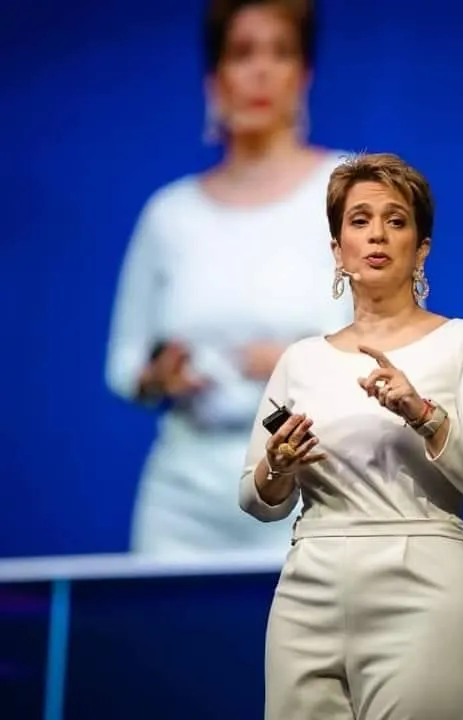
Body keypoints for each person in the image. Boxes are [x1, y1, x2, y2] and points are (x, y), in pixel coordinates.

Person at [239, 153, 463, 719]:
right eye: (360, 220)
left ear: (421, 249)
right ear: (337, 248)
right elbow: (255, 498)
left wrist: (424, 414)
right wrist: (279, 465)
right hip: (307, 585)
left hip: (422, 583)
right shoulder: (301, 360)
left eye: (396, 221)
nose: (377, 234)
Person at [105, 0, 351, 556]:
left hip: (316, 482)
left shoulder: (347, 191)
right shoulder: (169, 214)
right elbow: (124, 364)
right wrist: (157, 377)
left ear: (304, 75)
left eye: (280, 53)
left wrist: (298, 363)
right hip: (184, 500)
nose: (261, 70)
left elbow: (389, 341)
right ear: (215, 79)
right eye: (242, 54)